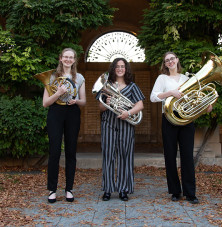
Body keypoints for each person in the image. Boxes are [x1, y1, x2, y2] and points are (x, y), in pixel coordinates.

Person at [150, 51, 212, 204]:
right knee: (170, 157)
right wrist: (170, 93)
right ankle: (175, 191)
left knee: (187, 157)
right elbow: (153, 97)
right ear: (165, 64)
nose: (170, 62)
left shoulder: (187, 78)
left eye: (172, 59)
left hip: (186, 120)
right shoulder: (162, 78)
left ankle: (190, 193)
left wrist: (206, 106)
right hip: (169, 119)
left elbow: (195, 99)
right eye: (167, 61)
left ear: (177, 60)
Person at [96, 58, 145, 201]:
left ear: (126, 69)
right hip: (109, 124)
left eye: (122, 66)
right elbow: (100, 107)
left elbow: (140, 105)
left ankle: (124, 189)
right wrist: (107, 103)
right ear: (113, 68)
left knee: (125, 156)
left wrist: (128, 113)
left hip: (126, 125)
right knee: (108, 156)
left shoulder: (132, 86)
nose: (120, 69)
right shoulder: (106, 86)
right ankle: (108, 189)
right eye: (117, 66)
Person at [43, 48, 86, 203]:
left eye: (71, 57)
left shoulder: (79, 77)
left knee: (71, 151)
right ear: (60, 58)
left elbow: (84, 101)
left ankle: (69, 189)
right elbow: (45, 103)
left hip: (72, 112)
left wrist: (76, 101)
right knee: (54, 151)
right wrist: (58, 93)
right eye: (66, 57)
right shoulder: (53, 76)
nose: (68, 59)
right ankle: (52, 190)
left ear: (74, 60)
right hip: (55, 112)